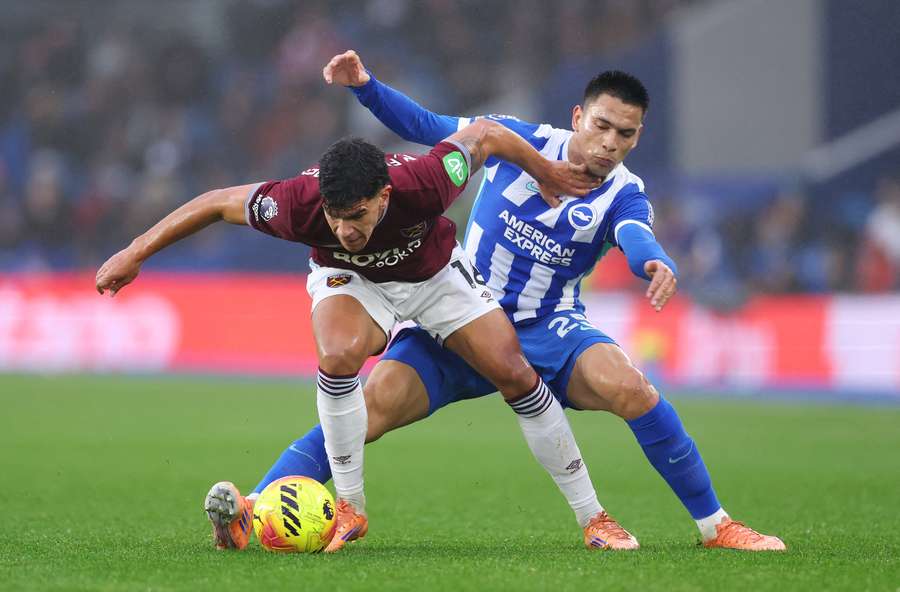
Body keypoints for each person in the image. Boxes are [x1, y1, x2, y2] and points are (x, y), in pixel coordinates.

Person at [246, 50, 785, 552]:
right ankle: (254, 507)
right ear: (578, 117)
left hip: (548, 328)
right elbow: (426, 127)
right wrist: (365, 86)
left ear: (637, 138)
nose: (608, 143)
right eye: (601, 126)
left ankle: (715, 525)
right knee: (366, 413)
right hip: (449, 315)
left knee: (632, 388)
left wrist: (654, 259)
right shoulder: (517, 141)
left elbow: (634, 231)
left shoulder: (625, 191)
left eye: (624, 133)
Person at [95, 117, 620, 553]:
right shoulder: (296, 201)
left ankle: (594, 517)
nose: (346, 227)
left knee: (515, 373)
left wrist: (545, 170)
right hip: (353, 279)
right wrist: (134, 251)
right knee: (339, 354)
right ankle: (350, 505)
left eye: (359, 215)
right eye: (335, 215)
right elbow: (214, 202)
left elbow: (485, 134)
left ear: (385, 195)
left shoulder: (428, 179)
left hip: (434, 277)